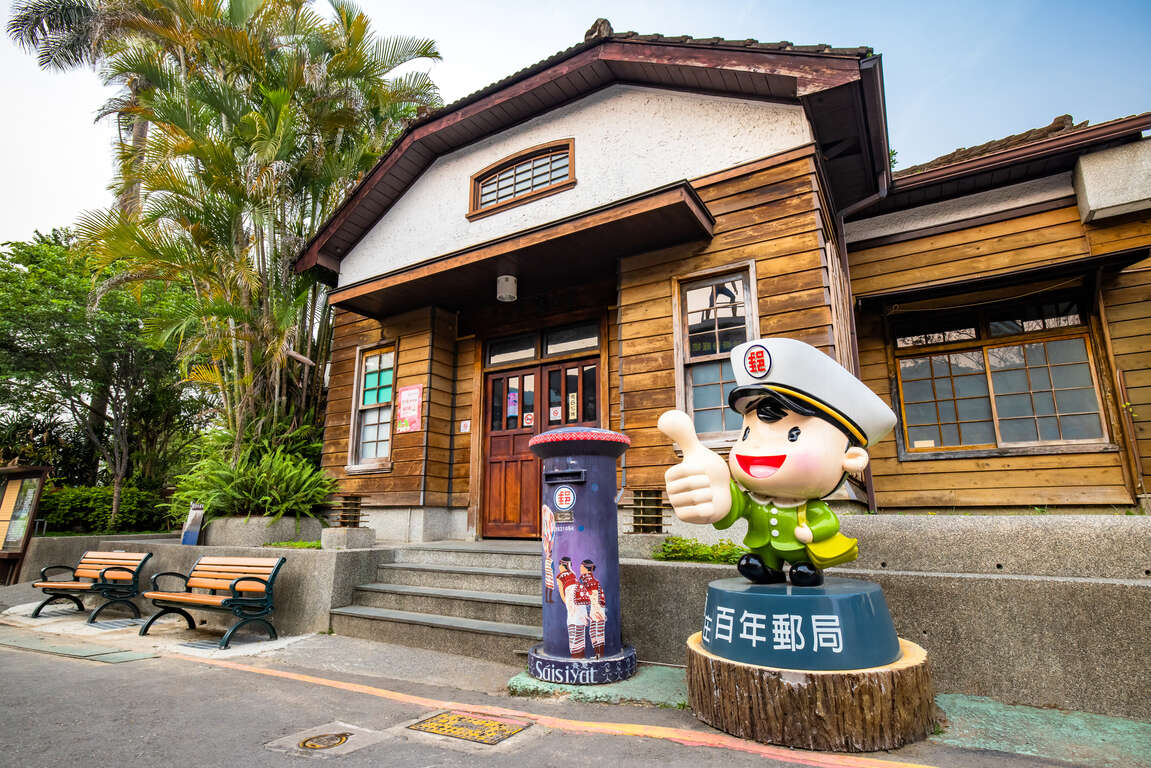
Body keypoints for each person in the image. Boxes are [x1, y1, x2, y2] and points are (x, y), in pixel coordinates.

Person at [659, 338, 896, 587]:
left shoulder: (809, 507)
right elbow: (738, 506)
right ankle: (769, 569)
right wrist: (718, 494)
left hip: (800, 548)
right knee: (754, 563)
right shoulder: (755, 500)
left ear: (851, 459)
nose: (758, 449)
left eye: (794, 434)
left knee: (803, 571)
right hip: (764, 546)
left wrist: (812, 532)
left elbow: (828, 522)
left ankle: (804, 568)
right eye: (747, 434)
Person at [555, 556, 588, 657]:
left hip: (572, 602)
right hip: (580, 603)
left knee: (573, 626)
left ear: (562, 565)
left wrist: (568, 605)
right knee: (579, 626)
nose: (559, 567)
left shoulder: (559, 576)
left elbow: (562, 594)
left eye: (560, 565)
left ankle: (576, 654)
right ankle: (580, 653)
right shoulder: (572, 574)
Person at [579, 559, 606, 658]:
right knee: (597, 632)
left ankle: (599, 654)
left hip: (594, 608)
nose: (580, 568)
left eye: (581, 567)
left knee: (595, 632)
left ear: (586, 568)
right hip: (598, 608)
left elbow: (586, 595)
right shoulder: (592, 580)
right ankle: (599, 655)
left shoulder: (585, 580)